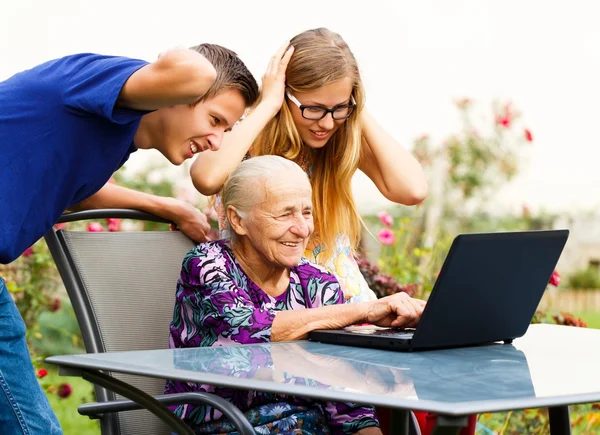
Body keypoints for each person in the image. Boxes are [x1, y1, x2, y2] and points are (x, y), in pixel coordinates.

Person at [0, 44, 259, 434]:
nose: (217, 141)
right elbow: (195, 73)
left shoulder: (114, 134)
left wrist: (168, 207)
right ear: (177, 95)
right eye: (215, 119)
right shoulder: (100, 80)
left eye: (227, 130)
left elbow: (79, 188)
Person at [165, 156, 426, 434]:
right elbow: (246, 332)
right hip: (227, 426)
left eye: (306, 212)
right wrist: (364, 310)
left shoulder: (316, 281)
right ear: (237, 220)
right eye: (284, 214)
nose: (303, 229)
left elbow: (347, 403)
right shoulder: (208, 265)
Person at [190, 28, 428, 304]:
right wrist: (268, 103)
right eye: (313, 108)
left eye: (339, 108)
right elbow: (206, 177)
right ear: (285, 93)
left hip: (351, 305)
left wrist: (357, 110)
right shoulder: (246, 137)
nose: (326, 123)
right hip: (273, 309)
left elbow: (413, 189)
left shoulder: (337, 140)